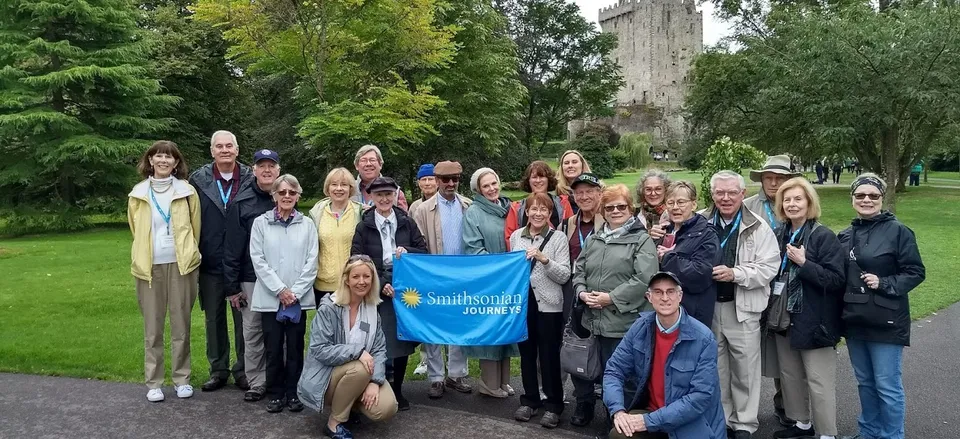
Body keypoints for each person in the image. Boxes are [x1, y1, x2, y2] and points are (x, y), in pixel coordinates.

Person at [838, 174, 925, 439]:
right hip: (855, 320)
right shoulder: (845, 235)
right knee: (865, 383)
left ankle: (891, 435)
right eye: (861, 195)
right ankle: (868, 431)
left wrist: (884, 282)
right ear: (852, 199)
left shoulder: (898, 231)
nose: (867, 200)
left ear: (881, 198)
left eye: (873, 195)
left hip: (887, 321)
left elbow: (915, 271)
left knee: (887, 385)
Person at [570, 183, 658, 435]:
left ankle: (618, 419)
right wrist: (581, 291)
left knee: (620, 374)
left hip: (621, 322)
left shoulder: (641, 240)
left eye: (621, 206)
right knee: (584, 366)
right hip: (590, 318)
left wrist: (611, 298)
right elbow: (580, 269)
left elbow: (644, 278)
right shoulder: (595, 238)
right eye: (610, 207)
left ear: (630, 209)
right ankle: (584, 405)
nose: (616, 211)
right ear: (603, 210)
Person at [699, 171, 780, 438]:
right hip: (708, 307)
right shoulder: (699, 221)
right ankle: (721, 418)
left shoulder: (758, 225)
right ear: (712, 194)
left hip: (741, 306)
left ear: (742, 194)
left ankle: (744, 423)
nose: (725, 198)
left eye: (732, 192)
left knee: (745, 370)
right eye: (720, 192)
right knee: (716, 367)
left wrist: (736, 274)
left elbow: (769, 268)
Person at [604, 271, 726, 439]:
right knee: (619, 435)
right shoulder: (640, 328)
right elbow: (614, 370)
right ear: (649, 297)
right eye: (658, 292)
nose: (665, 298)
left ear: (680, 296)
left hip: (691, 422)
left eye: (670, 291)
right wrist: (618, 410)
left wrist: (647, 421)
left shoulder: (704, 338)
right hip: (652, 412)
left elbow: (700, 397)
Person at [768, 177, 846, 439]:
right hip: (783, 317)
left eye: (798, 199)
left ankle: (827, 433)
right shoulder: (779, 233)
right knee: (790, 375)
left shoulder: (823, 236)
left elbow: (836, 280)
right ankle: (801, 423)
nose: (792, 204)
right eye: (787, 200)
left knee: (819, 381)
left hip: (815, 320)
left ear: (809, 202)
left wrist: (805, 264)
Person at [128, 141, 201, 402]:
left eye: (169, 157)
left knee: (181, 325)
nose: (163, 160)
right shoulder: (138, 194)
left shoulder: (187, 192)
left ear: (176, 163)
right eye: (158, 156)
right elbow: (136, 230)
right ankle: (154, 382)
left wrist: (190, 253)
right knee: (153, 327)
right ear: (149, 161)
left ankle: (182, 379)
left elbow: (195, 227)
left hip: (181, 266)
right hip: (149, 268)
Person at [297, 256, 398, 439]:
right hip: (326, 379)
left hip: (360, 375)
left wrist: (375, 382)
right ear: (346, 279)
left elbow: (379, 349)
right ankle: (334, 423)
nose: (362, 282)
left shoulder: (372, 309)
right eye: (356, 277)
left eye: (367, 276)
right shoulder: (329, 308)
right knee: (360, 368)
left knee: (387, 407)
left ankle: (350, 405)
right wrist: (358, 352)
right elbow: (320, 349)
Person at [351, 176, 428, 410]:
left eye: (388, 194)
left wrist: (408, 250)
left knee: (401, 340)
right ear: (371, 197)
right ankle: (373, 387)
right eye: (379, 195)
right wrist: (381, 281)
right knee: (374, 339)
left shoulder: (406, 221)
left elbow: (423, 251)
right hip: (373, 283)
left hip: (403, 284)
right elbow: (357, 257)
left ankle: (397, 390)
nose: (384, 199)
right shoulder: (364, 225)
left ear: (395, 195)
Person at [189, 130, 253, 392]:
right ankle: (218, 370)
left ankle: (244, 370)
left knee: (244, 320)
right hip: (211, 261)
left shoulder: (251, 178)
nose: (225, 150)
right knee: (213, 320)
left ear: (237, 150)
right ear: (212, 151)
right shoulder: (198, 180)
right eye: (219, 146)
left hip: (242, 262)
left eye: (229, 146)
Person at [249, 174, 318, 413]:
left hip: (298, 299)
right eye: (282, 192)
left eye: (292, 192)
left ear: (298, 195)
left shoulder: (307, 224)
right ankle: (276, 393)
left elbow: (312, 261)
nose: (287, 196)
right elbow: (258, 260)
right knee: (274, 347)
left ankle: (294, 392)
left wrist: (294, 293)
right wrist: (280, 290)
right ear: (274, 196)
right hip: (271, 298)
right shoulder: (261, 223)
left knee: (296, 346)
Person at [743, 154, 802, 426]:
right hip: (751, 284)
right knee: (746, 349)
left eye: (780, 178)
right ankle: (742, 411)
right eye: (769, 178)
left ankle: (787, 405)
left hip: (786, 287)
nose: (774, 183)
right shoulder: (748, 206)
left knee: (785, 349)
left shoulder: (795, 206)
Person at [411, 161, 474, 399]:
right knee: (433, 326)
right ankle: (436, 377)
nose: (450, 184)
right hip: (433, 275)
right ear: (436, 181)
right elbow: (417, 244)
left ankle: (456, 374)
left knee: (459, 324)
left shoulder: (468, 205)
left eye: (455, 180)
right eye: (445, 180)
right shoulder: (422, 209)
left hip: (462, 275)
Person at [222, 149, 282, 402]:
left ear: (278, 170)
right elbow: (232, 248)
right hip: (250, 278)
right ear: (254, 170)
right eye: (262, 166)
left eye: (272, 165)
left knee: (282, 331)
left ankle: (282, 378)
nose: (267, 170)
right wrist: (232, 286)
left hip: (282, 278)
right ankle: (256, 381)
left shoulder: (285, 196)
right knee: (253, 331)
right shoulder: (242, 202)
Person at [510, 193, 572, 429]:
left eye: (543, 210)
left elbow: (564, 274)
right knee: (526, 355)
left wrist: (545, 260)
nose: (538, 213)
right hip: (524, 304)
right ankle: (530, 400)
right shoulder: (516, 236)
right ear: (526, 212)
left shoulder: (558, 239)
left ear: (549, 214)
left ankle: (554, 404)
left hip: (549, 305)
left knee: (548, 356)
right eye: (533, 209)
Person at [461, 167, 519, 398]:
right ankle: (488, 383)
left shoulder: (509, 208)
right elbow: (473, 249)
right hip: (489, 281)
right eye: (486, 186)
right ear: (478, 190)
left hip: (511, 281)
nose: (492, 188)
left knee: (506, 329)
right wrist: (500, 269)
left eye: (494, 183)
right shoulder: (473, 213)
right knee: (490, 332)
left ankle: (504, 381)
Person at [657, 181, 720, 327]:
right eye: (670, 203)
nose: (675, 208)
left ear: (693, 205)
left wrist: (668, 257)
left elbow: (701, 273)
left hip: (693, 313)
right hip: (666, 311)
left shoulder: (707, 234)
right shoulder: (664, 231)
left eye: (681, 202)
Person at [309, 168, 364, 299]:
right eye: (334, 184)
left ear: (350, 189)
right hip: (323, 286)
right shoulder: (316, 214)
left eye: (344, 185)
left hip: (354, 284)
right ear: (328, 188)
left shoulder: (361, 212)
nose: (339, 188)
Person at [560, 173, 606, 324]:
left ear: (600, 193)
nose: (584, 196)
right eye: (579, 192)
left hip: (601, 287)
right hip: (572, 286)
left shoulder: (610, 222)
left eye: (589, 191)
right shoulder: (566, 225)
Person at [504, 161, 574, 245]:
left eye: (542, 177)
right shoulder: (517, 207)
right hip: (525, 255)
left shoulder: (563, 204)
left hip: (556, 254)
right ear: (528, 181)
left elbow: (571, 233)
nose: (538, 180)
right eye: (534, 177)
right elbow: (509, 239)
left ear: (548, 179)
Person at [352, 144, 408, 211]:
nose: (368, 164)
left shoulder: (395, 192)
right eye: (363, 160)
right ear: (356, 166)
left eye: (372, 160)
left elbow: (403, 219)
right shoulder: (347, 190)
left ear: (380, 164)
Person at [556, 150, 592, 214]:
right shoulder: (557, 192)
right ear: (562, 168)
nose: (570, 166)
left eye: (574, 162)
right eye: (566, 163)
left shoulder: (597, 188)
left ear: (582, 165)